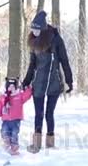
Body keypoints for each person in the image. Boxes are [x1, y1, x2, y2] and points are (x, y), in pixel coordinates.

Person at [22, 10, 73, 153]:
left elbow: (64, 61)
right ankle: (36, 145)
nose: (34, 31)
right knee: (38, 113)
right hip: (38, 84)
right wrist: (26, 82)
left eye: (36, 29)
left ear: (43, 28)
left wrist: (69, 81)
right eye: (32, 29)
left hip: (54, 83)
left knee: (49, 113)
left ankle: (50, 143)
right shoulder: (33, 41)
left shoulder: (55, 39)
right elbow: (32, 65)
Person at [0, 77, 33, 155]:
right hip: (6, 120)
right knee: (4, 131)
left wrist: (29, 89)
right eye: (9, 86)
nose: (11, 88)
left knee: (14, 133)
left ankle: (14, 148)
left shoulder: (19, 96)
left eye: (13, 86)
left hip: (16, 120)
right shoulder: (3, 97)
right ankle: (6, 143)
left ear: (16, 87)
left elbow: (26, 95)